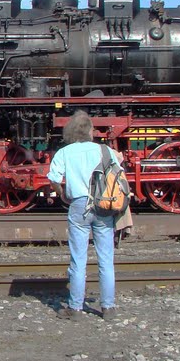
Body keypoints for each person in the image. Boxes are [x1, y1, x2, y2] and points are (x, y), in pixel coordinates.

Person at [47, 110, 119, 321]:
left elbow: (53, 178)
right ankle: (109, 308)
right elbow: (117, 174)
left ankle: (75, 308)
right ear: (90, 131)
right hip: (104, 206)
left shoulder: (65, 152)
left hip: (78, 204)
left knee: (78, 260)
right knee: (106, 259)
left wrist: (63, 195)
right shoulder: (104, 150)